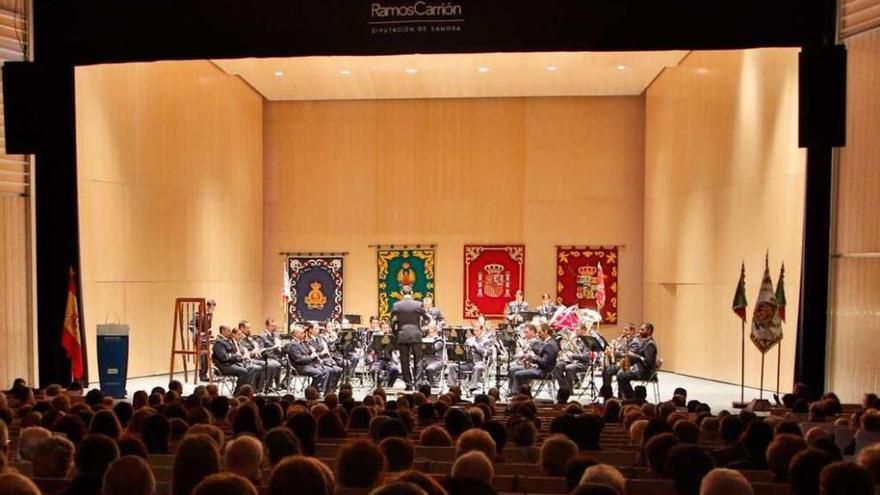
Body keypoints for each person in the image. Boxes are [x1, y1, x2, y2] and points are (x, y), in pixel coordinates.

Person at [392, 285, 429, 391]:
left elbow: (393, 321)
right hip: (416, 335)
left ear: (401, 293)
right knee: (418, 360)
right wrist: (422, 328)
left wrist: (396, 333)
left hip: (402, 335)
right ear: (412, 292)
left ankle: (408, 384)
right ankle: (417, 384)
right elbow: (426, 318)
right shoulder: (418, 304)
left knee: (404, 361)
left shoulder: (396, 305)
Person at [511, 323, 559, 394]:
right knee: (514, 369)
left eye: (540, 332)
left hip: (543, 372)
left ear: (546, 331)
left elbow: (544, 363)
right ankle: (520, 393)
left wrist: (533, 358)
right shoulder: (549, 343)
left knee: (518, 374)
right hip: (542, 369)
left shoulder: (549, 345)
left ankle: (516, 395)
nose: (538, 335)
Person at [615, 322, 658, 399]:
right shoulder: (645, 342)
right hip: (639, 369)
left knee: (621, 375)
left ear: (649, 331)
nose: (639, 331)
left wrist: (634, 355)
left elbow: (648, 362)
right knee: (621, 373)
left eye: (642, 330)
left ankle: (630, 397)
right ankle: (625, 396)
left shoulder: (650, 344)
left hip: (646, 372)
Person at [212, 325, 258, 394]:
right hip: (224, 366)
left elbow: (233, 353)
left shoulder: (226, 340)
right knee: (243, 371)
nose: (230, 332)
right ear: (223, 331)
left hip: (232, 363)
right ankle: (238, 393)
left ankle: (248, 391)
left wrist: (239, 357)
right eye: (228, 330)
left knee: (251, 369)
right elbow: (224, 357)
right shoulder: (219, 343)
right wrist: (236, 356)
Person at [447, 322, 492, 392]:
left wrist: (476, 346)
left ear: (481, 330)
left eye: (477, 330)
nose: (475, 332)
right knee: (452, 366)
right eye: (474, 330)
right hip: (467, 363)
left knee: (477, 367)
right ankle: (452, 388)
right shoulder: (469, 340)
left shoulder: (486, 341)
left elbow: (487, 353)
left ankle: (472, 387)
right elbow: (463, 351)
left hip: (478, 362)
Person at [240, 321, 281, 393]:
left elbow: (257, 348)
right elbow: (243, 353)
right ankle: (260, 388)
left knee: (274, 364)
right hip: (249, 359)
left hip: (257, 357)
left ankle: (268, 386)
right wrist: (253, 352)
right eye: (248, 328)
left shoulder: (249, 338)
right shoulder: (240, 339)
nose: (250, 329)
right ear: (241, 328)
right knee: (268, 365)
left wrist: (257, 348)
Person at [286, 326, 329, 393]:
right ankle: (311, 391)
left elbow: (309, 352)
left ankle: (318, 390)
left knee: (325, 371)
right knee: (318, 373)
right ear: (296, 334)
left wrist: (313, 351)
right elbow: (298, 359)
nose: (304, 335)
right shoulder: (293, 344)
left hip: (308, 365)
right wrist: (311, 357)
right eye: (302, 333)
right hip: (300, 367)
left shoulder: (301, 342)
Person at [601, 323, 639, 393]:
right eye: (623, 330)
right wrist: (613, 348)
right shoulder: (624, 340)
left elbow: (630, 355)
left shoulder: (635, 342)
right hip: (621, 363)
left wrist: (618, 353)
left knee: (609, 371)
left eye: (626, 330)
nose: (623, 332)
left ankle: (610, 392)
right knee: (606, 370)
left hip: (629, 365)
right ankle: (607, 391)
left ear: (632, 331)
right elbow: (621, 352)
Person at [554, 322, 592, 390]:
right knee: (558, 365)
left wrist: (573, 355)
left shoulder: (588, 341)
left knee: (569, 368)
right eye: (575, 330)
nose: (575, 332)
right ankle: (563, 387)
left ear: (584, 330)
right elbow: (569, 350)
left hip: (583, 363)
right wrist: (566, 348)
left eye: (577, 330)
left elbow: (586, 357)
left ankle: (569, 390)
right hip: (573, 361)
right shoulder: (575, 339)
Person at [308, 323, 341, 394]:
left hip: (326, 359)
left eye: (318, 328)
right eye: (316, 328)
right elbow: (316, 352)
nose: (318, 330)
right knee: (330, 370)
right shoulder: (309, 340)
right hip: (316, 362)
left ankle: (331, 390)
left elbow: (333, 346)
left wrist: (337, 337)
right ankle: (322, 389)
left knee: (338, 370)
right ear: (310, 330)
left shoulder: (320, 339)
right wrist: (323, 352)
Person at [507, 323, 541, 391]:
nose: (525, 334)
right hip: (525, 363)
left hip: (531, 365)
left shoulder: (535, 341)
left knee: (513, 369)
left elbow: (525, 353)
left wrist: (519, 354)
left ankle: (514, 391)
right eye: (524, 332)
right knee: (511, 367)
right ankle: (513, 389)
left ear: (533, 332)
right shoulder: (528, 341)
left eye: (526, 332)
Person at [189, 299, 216, 381]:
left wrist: (209, 332)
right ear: (207, 306)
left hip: (206, 338)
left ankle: (207, 373)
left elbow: (207, 326)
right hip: (199, 339)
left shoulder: (210, 315)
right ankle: (202, 375)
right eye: (211, 307)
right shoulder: (198, 314)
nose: (212, 310)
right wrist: (198, 333)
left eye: (213, 308)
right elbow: (191, 325)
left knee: (207, 357)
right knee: (202, 357)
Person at [371, 322, 401, 388]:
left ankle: (390, 385)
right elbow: (370, 348)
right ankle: (378, 385)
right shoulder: (377, 337)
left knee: (395, 369)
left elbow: (396, 348)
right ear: (381, 329)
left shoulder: (392, 338)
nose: (386, 329)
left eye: (387, 328)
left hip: (389, 361)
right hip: (378, 361)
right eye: (384, 328)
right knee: (373, 370)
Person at [415, 321, 445, 386]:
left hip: (436, 361)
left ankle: (432, 385)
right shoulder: (425, 339)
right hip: (426, 360)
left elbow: (433, 349)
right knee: (415, 366)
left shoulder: (439, 340)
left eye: (429, 328)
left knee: (430, 368)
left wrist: (424, 346)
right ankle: (418, 384)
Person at [260, 318, 285, 389]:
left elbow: (280, 345)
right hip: (269, 357)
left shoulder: (276, 335)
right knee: (275, 365)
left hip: (278, 356)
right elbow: (262, 349)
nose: (273, 328)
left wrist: (280, 346)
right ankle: (269, 385)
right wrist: (274, 347)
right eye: (272, 326)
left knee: (290, 364)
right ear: (267, 326)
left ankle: (283, 383)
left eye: (274, 326)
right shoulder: (262, 336)